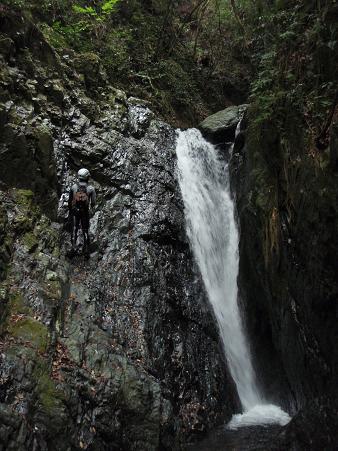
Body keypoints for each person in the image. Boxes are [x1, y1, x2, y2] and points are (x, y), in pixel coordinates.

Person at [68, 168, 96, 256]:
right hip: (85, 211)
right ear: (87, 177)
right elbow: (93, 202)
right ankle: (86, 251)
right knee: (85, 230)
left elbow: (70, 201)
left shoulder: (73, 187)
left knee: (74, 229)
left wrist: (71, 210)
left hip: (75, 211)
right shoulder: (91, 188)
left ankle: (73, 248)